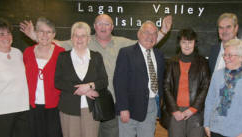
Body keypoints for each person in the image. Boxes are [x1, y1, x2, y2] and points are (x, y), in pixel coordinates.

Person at [19, 14, 172, 137]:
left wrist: (163, 31)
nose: (103, 27)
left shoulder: (123, 43)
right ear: (94, 27)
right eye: (100, 23)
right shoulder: (82, 40)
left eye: (107, 24)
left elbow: (147, 41)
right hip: (86, 104)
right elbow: (53, 42)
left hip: (112, 105)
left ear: (112, 27)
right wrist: (35, 36)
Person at [54, 21, 108, 137]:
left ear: (88, 38)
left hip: (90, 109)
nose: (79, 39)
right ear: (72, 38)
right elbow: (58, 81)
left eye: (83, 35)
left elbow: (104, 81)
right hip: (69, 108)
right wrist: (82, 91)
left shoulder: (96, 56)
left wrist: (89, 86)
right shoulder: (63, 57)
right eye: (76, 35)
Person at [113, 21, 165, 137]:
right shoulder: (126, 53)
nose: (150, 36)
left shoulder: (159, 55)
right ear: (139, 34)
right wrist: (123, 108)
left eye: (154, 34)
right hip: (129, 108)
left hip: (151, 107)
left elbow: (160, 81)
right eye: (146, 32)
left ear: (157, 37)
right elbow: (119, 83)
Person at [204, 39, 242, 137]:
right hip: (215, 129)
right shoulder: (217, 75)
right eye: (225, 55)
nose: (226, 58)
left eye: (230, 55)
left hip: (239, 133)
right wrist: (206, 124)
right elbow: (209, 100)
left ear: (241, 57)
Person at [161, 28, 210, 137]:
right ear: (179, 43)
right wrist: (174, 110)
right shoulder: (171, 62)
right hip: (176, 112)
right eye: (184, 42)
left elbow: (206, 86)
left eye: (190, 42)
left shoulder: (203, 62)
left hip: (196, 112)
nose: (187, 45)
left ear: (195, 43)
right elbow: (166, 87)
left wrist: (193, 109)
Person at [23, 17, 64, 137]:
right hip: (32, 106)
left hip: (54, 106)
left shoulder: (61, 53)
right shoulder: (27, 52)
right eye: (41, 31)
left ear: (54, 35)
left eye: (49, 32)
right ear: (36, 33)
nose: (45, 35)